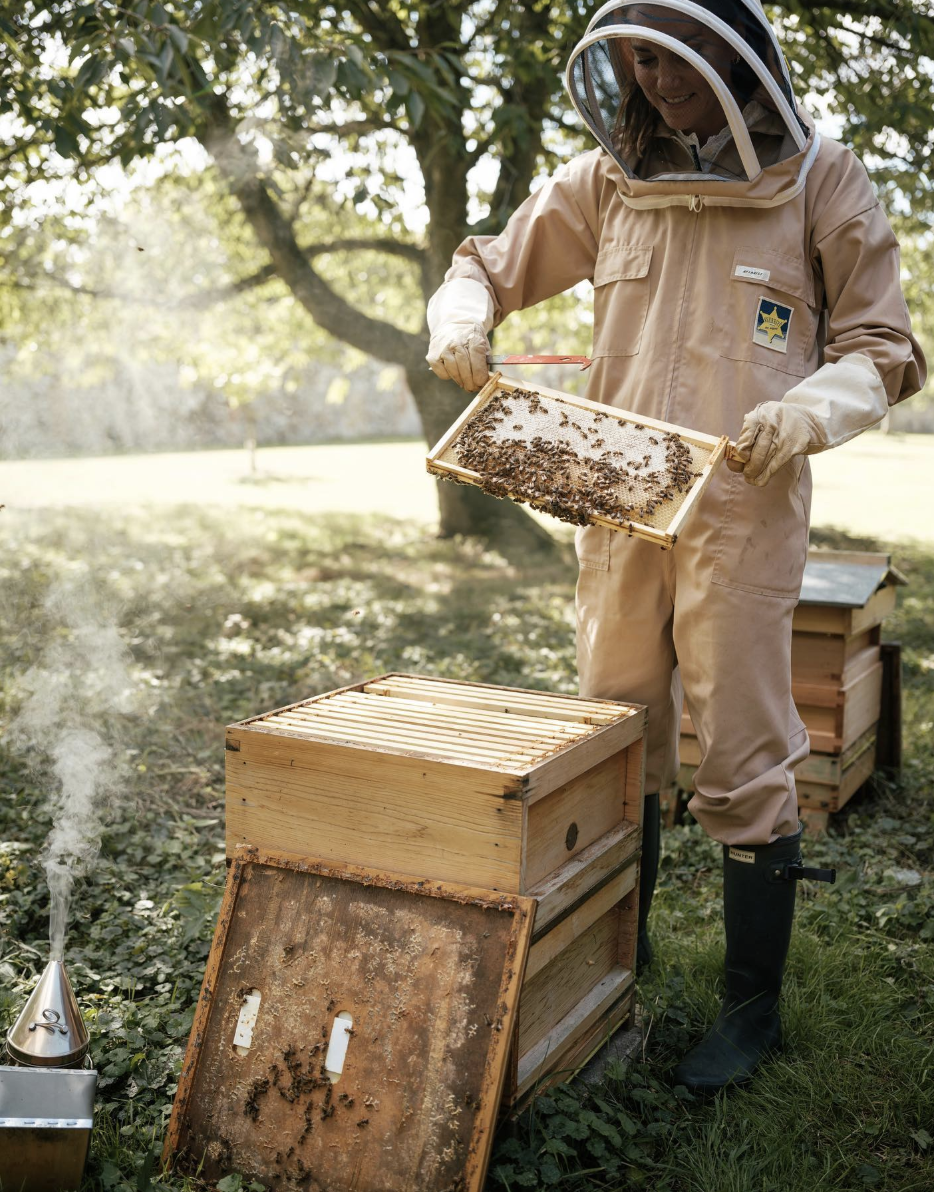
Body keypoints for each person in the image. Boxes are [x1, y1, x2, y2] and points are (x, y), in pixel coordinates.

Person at [425, 0, 925, 1094]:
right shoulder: (607, 182)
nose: (653, 76)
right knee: (614, 733)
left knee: (743, 747)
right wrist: (460, 317)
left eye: (671, 51)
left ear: (730, 48)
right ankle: (619, 955)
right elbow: (485, 262)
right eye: (636, 57)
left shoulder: (820, 179)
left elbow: (885, 345)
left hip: (740, 513)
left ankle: (750, 1003)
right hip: (614, 503)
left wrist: (813, 405)